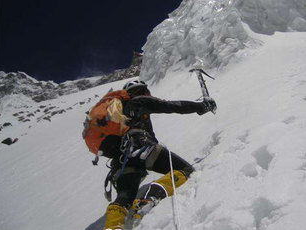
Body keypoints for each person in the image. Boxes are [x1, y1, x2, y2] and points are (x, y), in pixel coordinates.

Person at [84, 79, 216, 230]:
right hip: (142, 147)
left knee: (125, 196)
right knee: (186, 170)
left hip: (121, 161)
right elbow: (172, 106)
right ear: (140, 90)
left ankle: (113, 226)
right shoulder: (138, 100)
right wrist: (201, 106)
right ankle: (149, 197)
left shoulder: (117, 113)